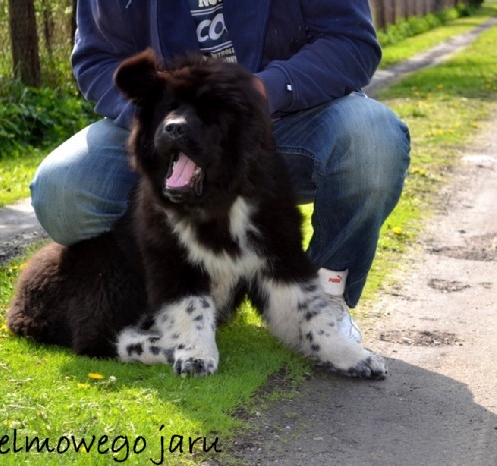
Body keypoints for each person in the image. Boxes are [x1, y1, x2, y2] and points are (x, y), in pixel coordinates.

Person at [30, 0, 411, 343]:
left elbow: (350, 42)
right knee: (61, 192)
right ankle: (179, 290)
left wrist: (264, 89)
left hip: (285, 119)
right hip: (165, 122)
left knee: (373, 141)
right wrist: (157, 114)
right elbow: (97, 59)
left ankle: (321, 301)